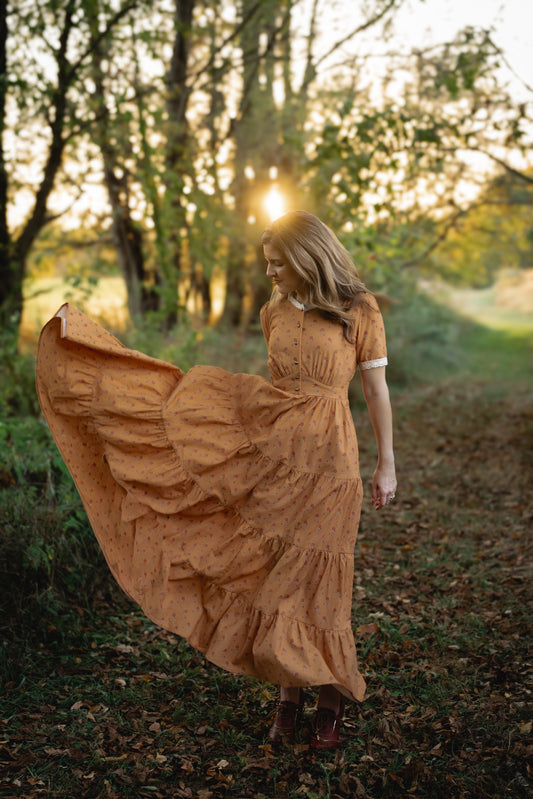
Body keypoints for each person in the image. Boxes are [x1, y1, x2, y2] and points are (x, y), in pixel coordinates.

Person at [36, 210, 396, 751]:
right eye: (268, 264)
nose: (270, 273)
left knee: (322, 580)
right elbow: (278, 386)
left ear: (306, 257)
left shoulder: (358, 309)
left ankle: (329, 699)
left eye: (277, 263)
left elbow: (375, 392)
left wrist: (386, 461)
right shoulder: (272, 311)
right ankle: (288, 696)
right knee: (273, 574)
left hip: (330, 463)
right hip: (274, 455)